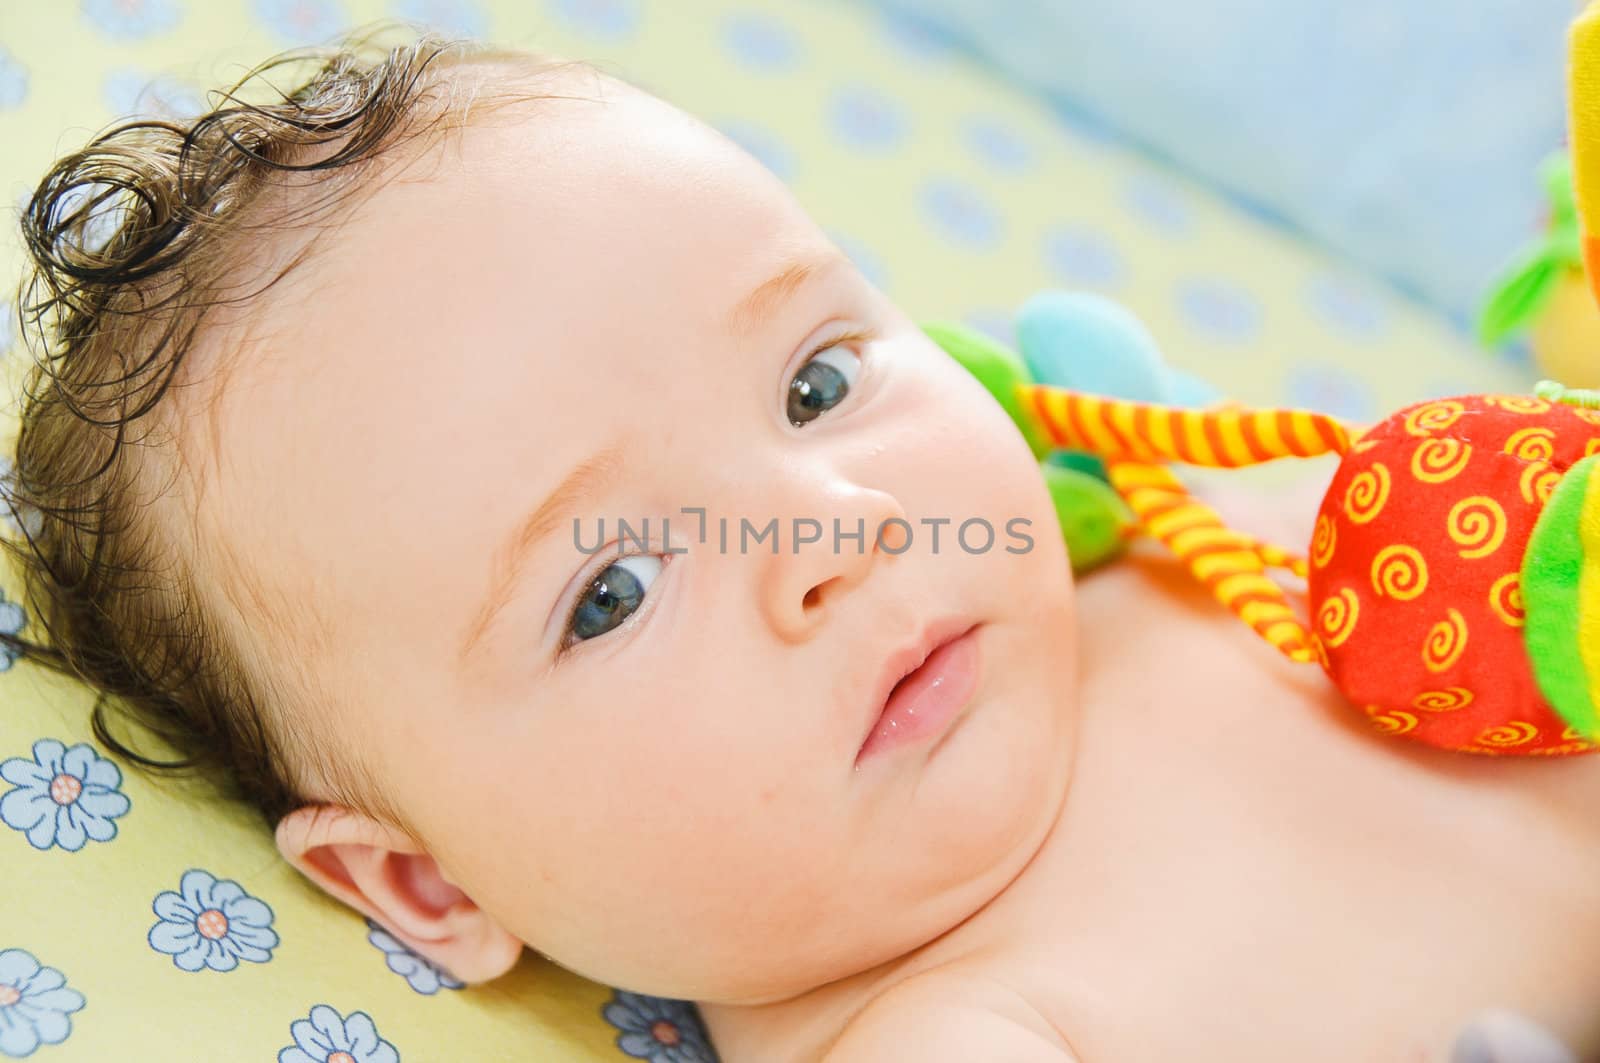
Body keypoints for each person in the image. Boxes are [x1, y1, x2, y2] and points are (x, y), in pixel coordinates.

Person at [6, 29, 1597, 1062]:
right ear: (424, 878)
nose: (833, 533)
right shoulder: (962, 1030)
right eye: (610, 591)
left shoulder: (1157, 532)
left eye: (814, 382)